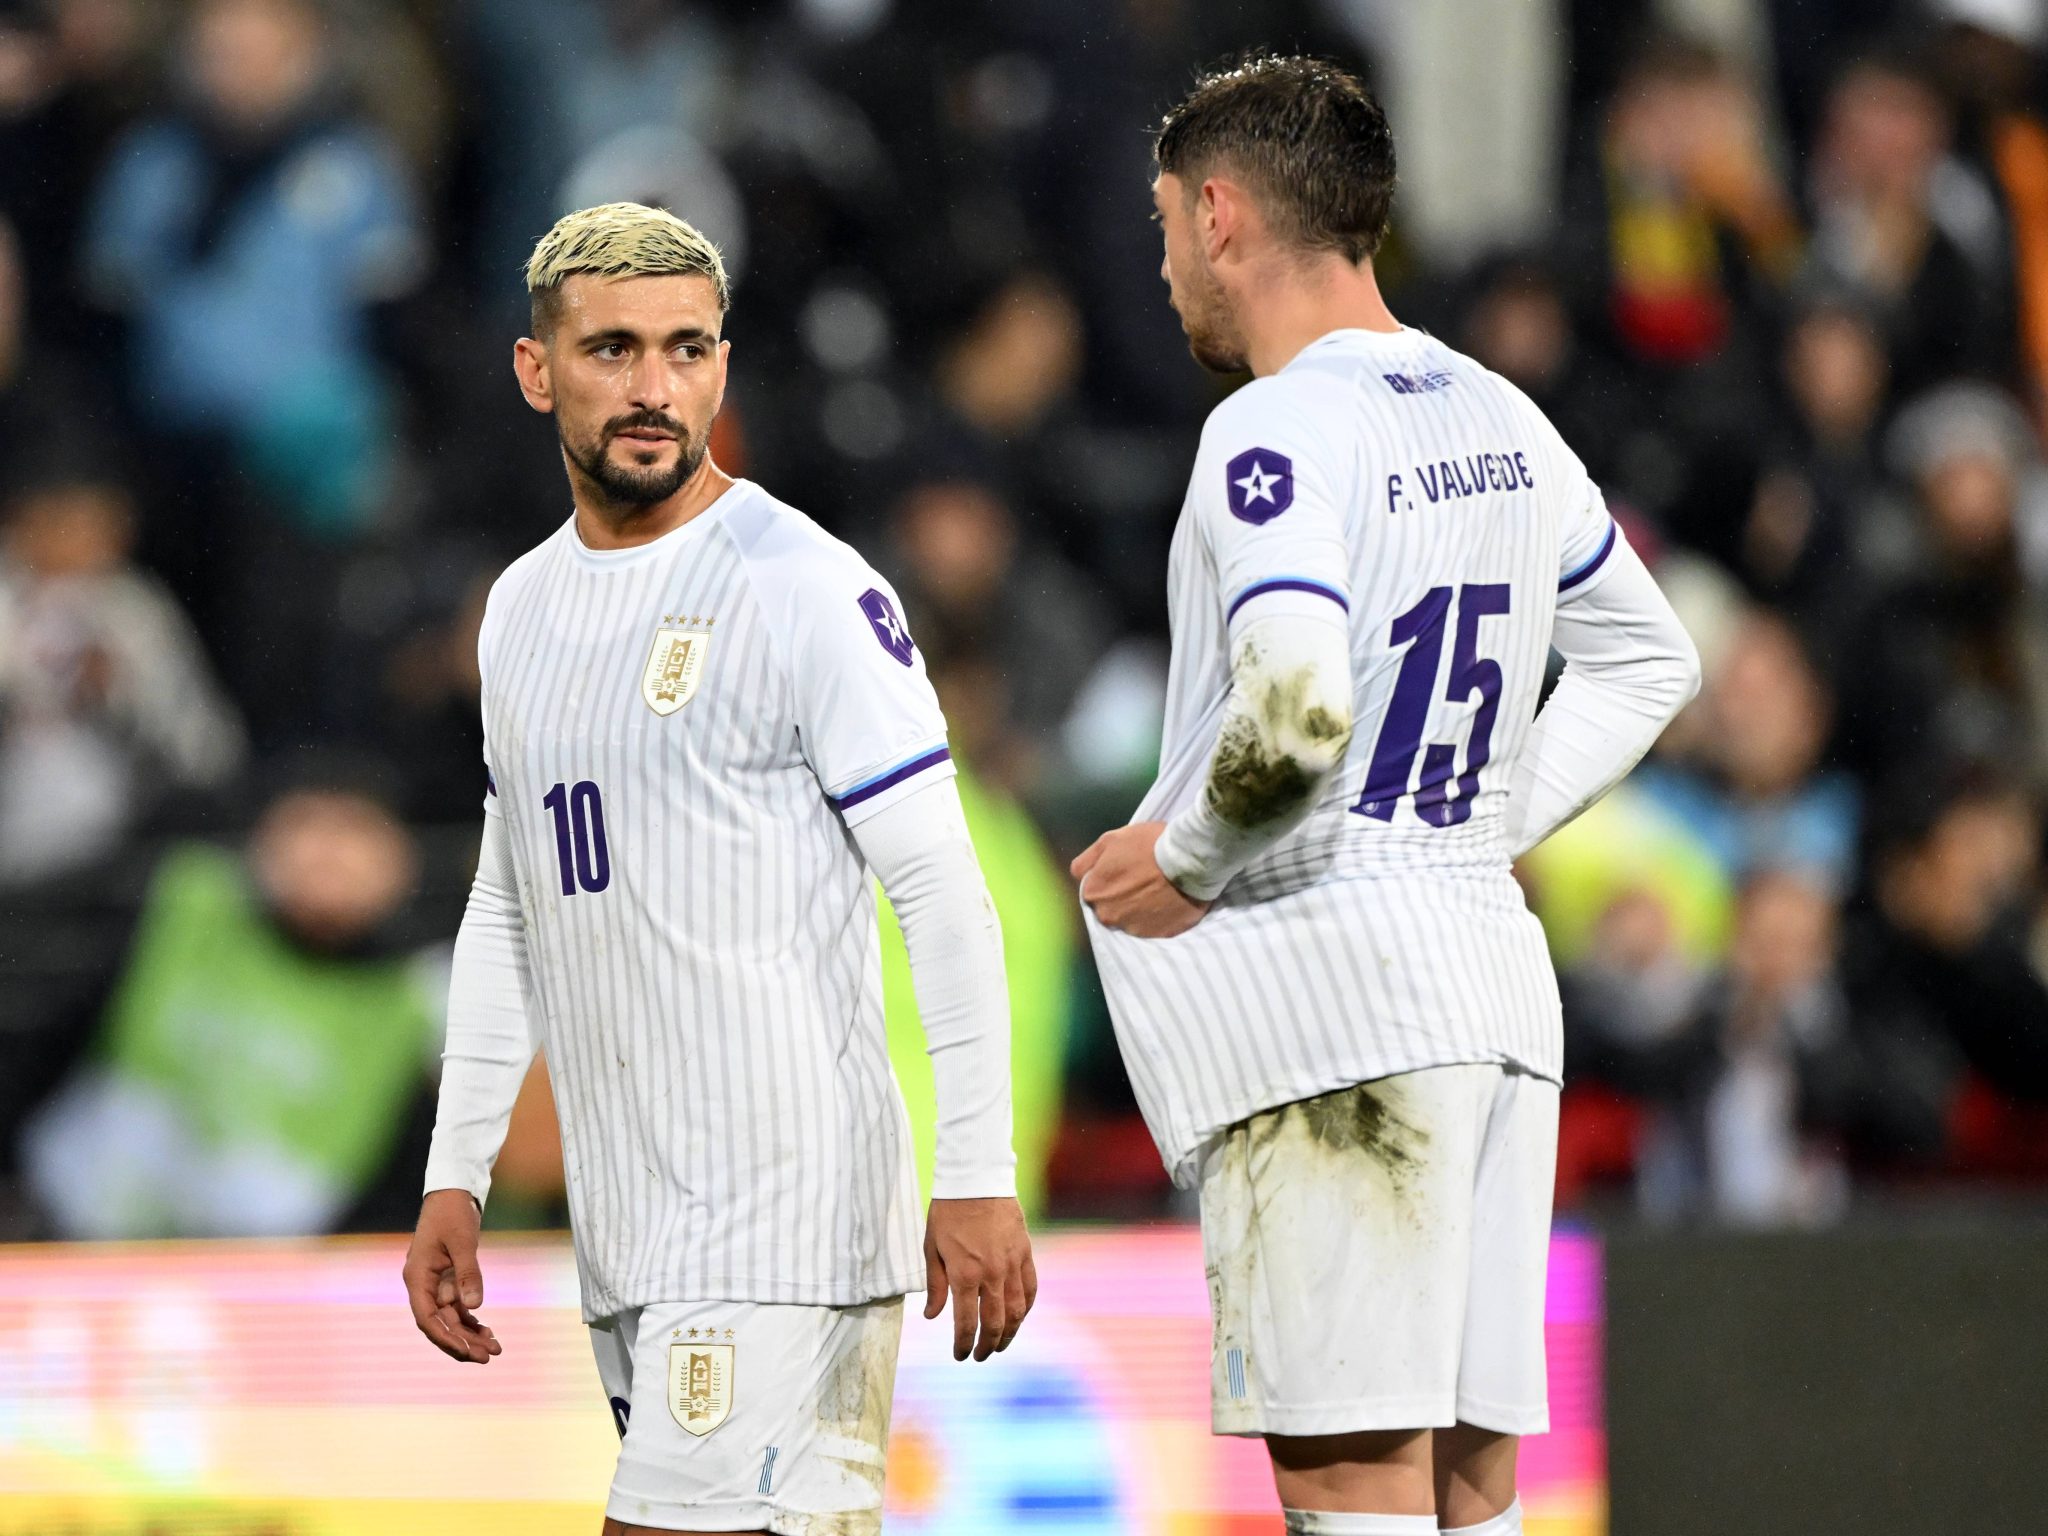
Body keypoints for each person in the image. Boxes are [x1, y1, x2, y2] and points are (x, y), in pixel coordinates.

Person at [1074, 59, 1700, 1536]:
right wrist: (1474, 822)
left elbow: (1294, 716)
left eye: (1167, 226)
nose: (1164, 267)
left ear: (1221, 213)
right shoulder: (1501, 414)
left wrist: (1196, 857)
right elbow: (1648, 659)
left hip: (1334, 1017)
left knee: (1354, 1485)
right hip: (1492, 994)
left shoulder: (1272, 429)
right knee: (1472, 1485)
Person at [400, 203, 1034, 1536]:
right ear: (536, 372)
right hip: (630, 1221)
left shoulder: (804, 587)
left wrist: (976, 1168)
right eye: (613, 349)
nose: (652, 388)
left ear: (724, 367)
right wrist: (455, 1170)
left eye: (686, 350)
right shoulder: (518, 609)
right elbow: (513, 904)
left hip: (781, 1217)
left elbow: (942, 887)